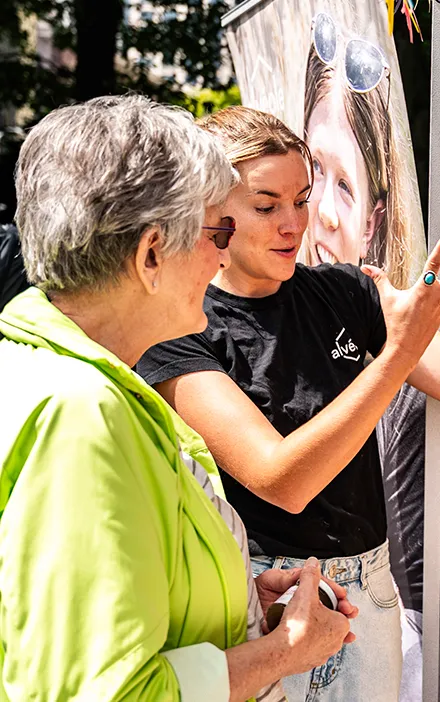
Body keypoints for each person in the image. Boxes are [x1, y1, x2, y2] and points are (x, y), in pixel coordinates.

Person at [136, 105, 440, 701]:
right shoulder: (179, 326)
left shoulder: (343, 291)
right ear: (207, 211)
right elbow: (282, 478)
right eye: (266, 206)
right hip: (266, 601)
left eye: (302, 197)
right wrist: (398, 354)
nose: (294, 223)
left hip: (371, 593)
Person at [0, 94, 357, 702]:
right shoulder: (81, 414)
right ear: (150, 255)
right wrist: (282, 651)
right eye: (216, 229)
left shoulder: (57, 369)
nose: (222, 252)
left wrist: (238, 603)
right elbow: (106, 691)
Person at [300, 18, 440, 699]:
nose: (315, 212)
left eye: (343, 183)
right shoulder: (218, 333)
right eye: (310, 175)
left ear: (375, 217)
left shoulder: (392, 351)